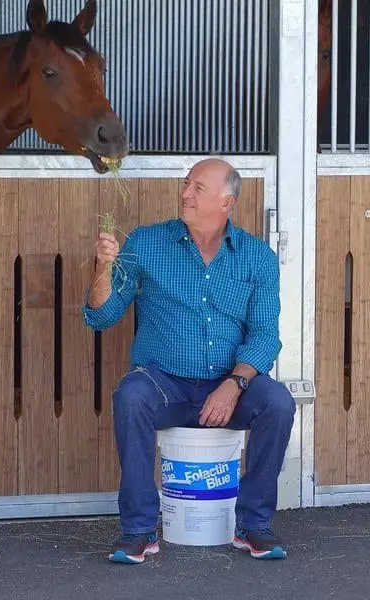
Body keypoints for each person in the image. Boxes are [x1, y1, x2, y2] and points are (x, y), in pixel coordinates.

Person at [82, 158, 296, 564]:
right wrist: (103, 269)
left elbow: (267, 336)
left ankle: (253, 525)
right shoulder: (146, 243)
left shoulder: (257, 257)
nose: (185, 193)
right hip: (165, 382)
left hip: (230, 383)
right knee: (131, 395)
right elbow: (101, 315)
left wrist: (235, 384)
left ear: (227, 202)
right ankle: (140, 531)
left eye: (198, 188)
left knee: (279, 403)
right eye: (186, 184)